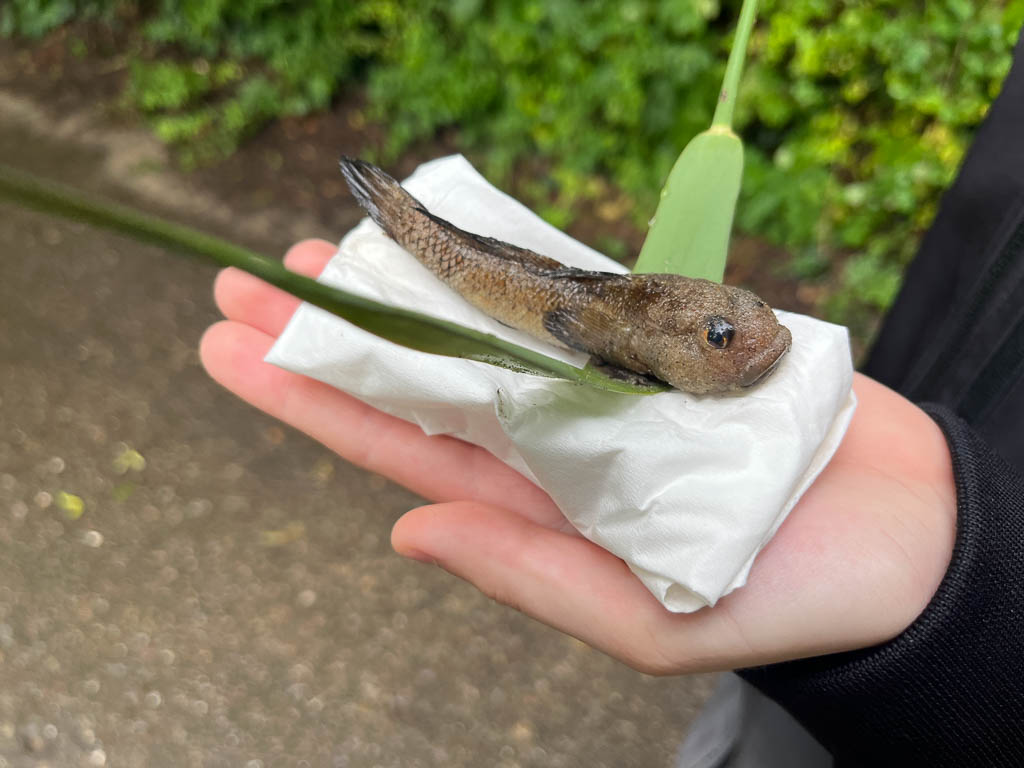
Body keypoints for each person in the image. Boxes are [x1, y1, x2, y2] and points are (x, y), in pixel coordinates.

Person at [198, 30, 1024, 766]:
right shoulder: (629, 323)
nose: (765, 345)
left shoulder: (672, 324)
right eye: (729, 336)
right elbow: (562, 311)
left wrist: (966, 609)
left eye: (760, 327)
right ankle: (398, 216)